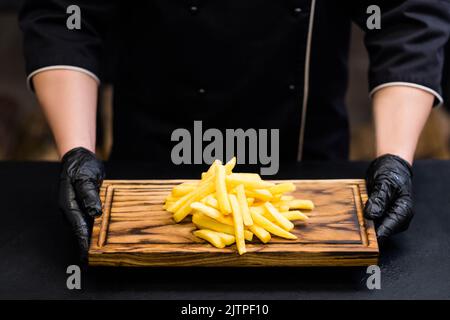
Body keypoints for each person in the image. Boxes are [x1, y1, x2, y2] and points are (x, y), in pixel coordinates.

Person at [19, 0, 450, 260]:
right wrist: (77, 151)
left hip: (309, 173)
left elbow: (406, 13)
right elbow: (64, 12)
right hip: (147, 178)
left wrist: (395, 158)